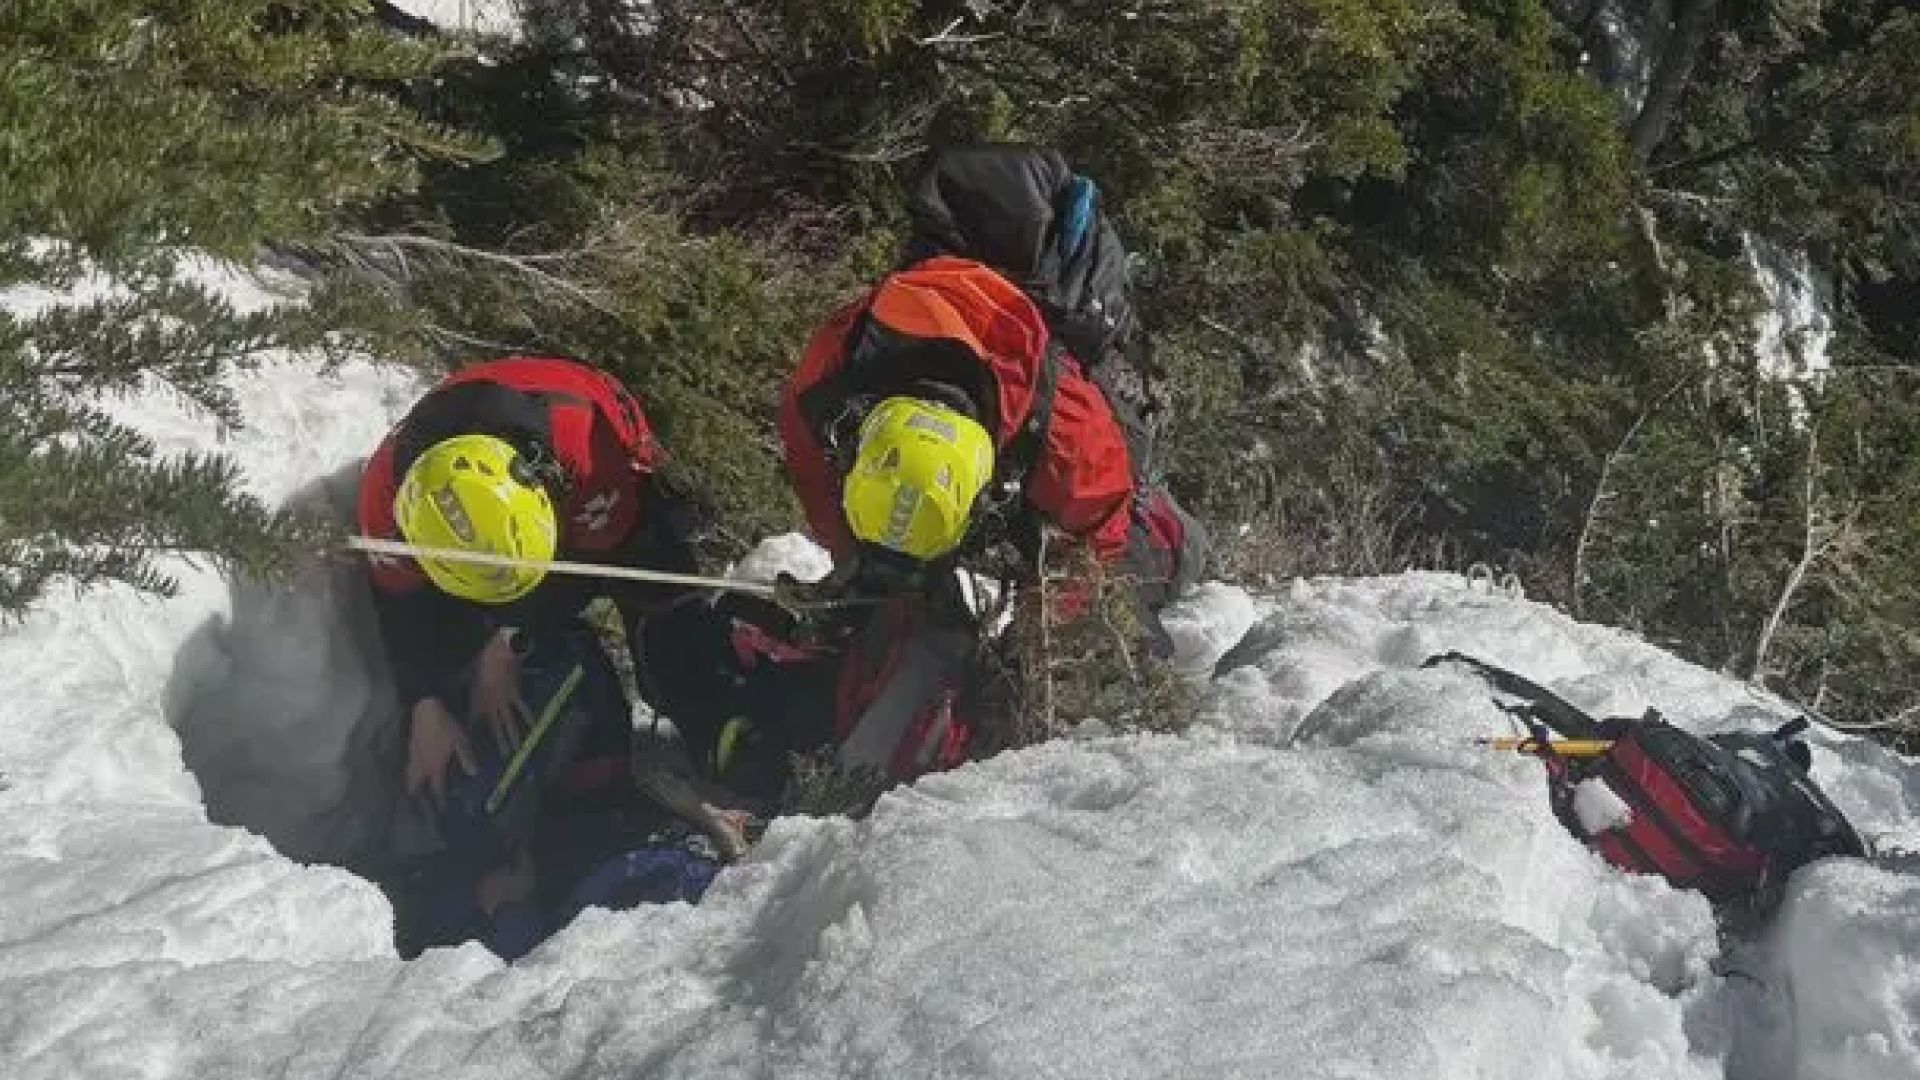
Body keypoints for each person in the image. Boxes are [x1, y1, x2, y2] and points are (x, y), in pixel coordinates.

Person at [642, 146, 1207, 796]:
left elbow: (1096, 538)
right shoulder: (836, 374)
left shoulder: (1067, 414)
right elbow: (819, 482)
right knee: (889, 625)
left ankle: (1179, 541)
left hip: (1068, 482)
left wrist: (1039, 634)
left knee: (1140, 574)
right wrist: (871, 563)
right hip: (939, 466)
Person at [356, 355, 709, 956]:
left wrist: (512, 637)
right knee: (463, 725)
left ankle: (699, 750)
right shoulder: (388, 507)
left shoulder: (597, 458)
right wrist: (426, 700)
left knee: (671, 622)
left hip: (588, 502)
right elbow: (403, 607)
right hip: (486, 549)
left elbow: (607, 561)